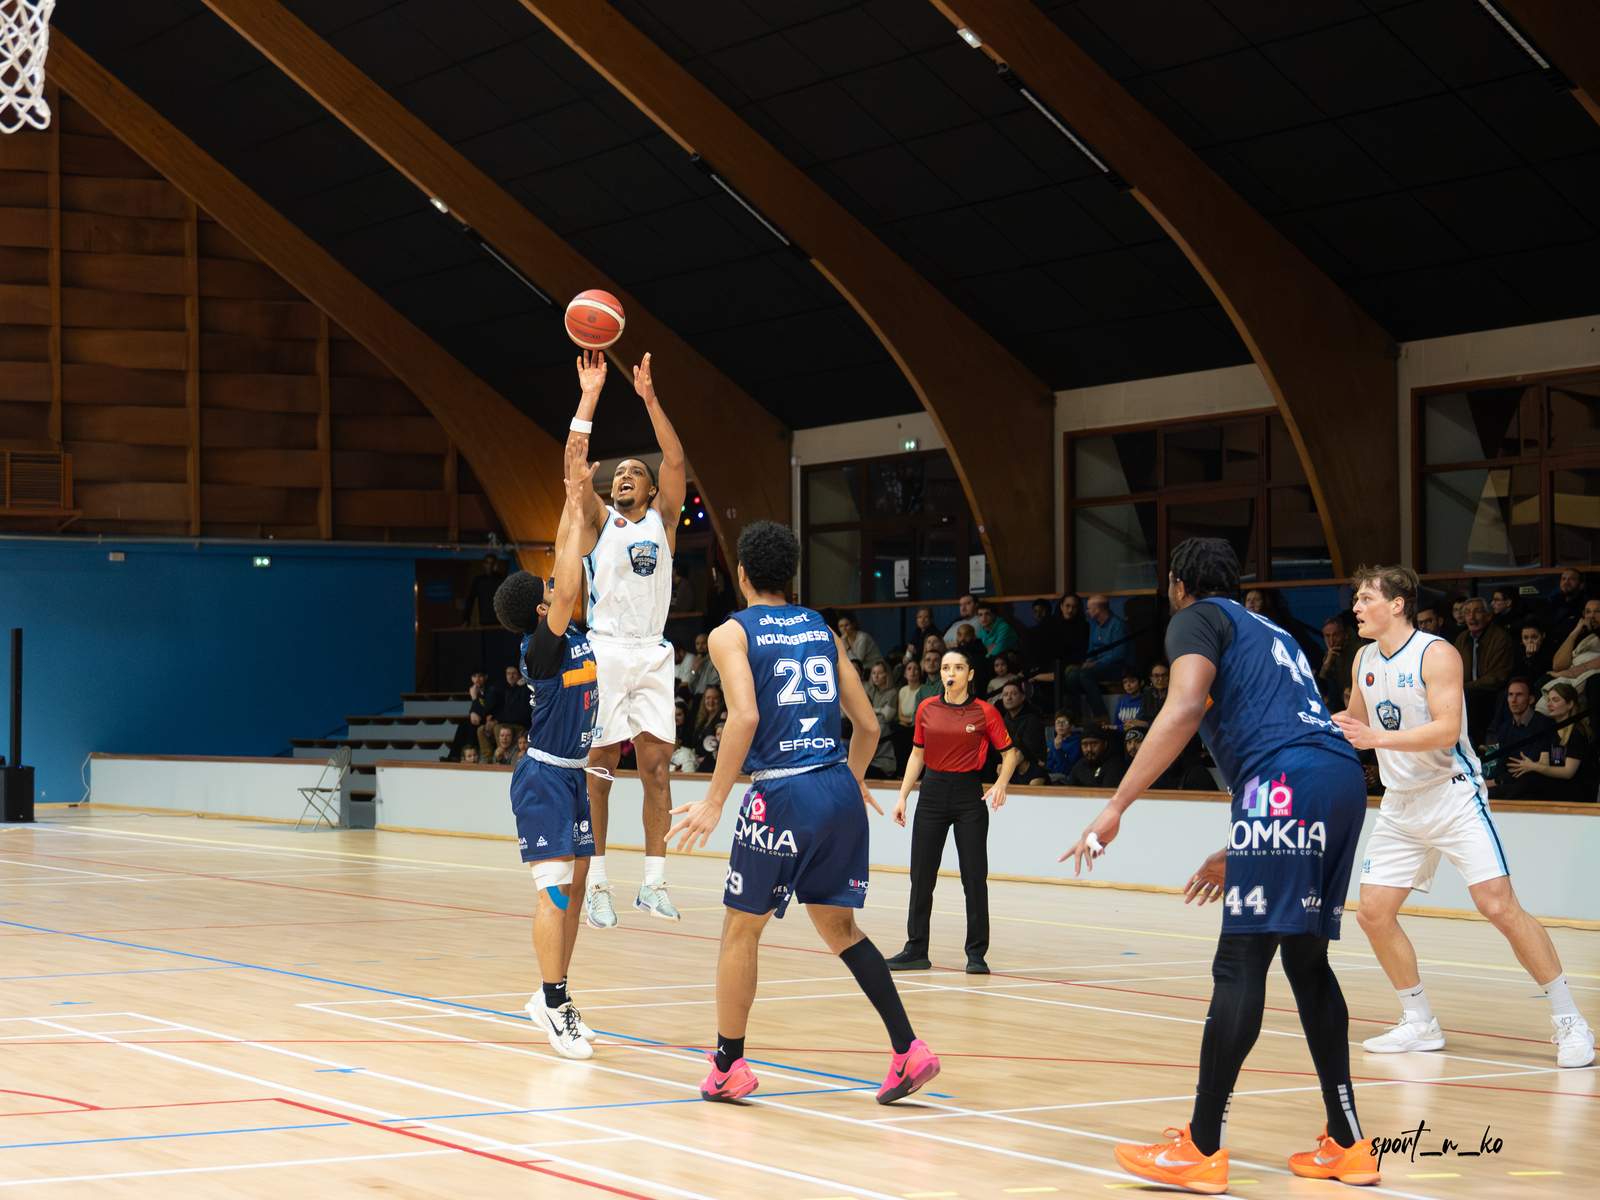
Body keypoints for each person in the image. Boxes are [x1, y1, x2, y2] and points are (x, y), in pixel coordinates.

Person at [1063, 538, 1377, 1192]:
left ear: (1179, 584)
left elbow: (1183, 707)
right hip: (1340, 778)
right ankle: (1348, 1143)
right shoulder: (1269, 630)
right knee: (1305, 961)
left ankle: (1201, 1149)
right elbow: (1279, 726)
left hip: (1286, 782)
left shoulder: (1195, 618)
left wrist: (1116, 806)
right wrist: (1242, 849)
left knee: (1240, 961)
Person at [666, 521, 941, 1105]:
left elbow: (744, 718)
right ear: (789, 576)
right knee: (841, 929)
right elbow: (868, 725)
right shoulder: (819, 626)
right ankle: (909, 1049)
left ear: (741, 574)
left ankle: (728, 1066)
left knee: (741, 928)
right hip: (838, 785)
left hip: (782, 792)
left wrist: (715, 800)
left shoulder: (731, 633)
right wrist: (849, 781)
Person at [1338, 564, 1594, 1070]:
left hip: (1452, 796)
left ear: (1397, 604)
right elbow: (1356, 722)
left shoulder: (1436, 653)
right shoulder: (1364, 657)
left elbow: (1446, 728)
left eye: (1366, 598)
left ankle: (1570, 1021)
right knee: (1373, 913)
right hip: (1400, 803)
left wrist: (1375, 739)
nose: (1356, 608)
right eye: (1357, 599)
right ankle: (1420, 1022)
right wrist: (1311, 726)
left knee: (1498, 906)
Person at [559, 349, 688, 927]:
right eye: (620, 473)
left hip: (653, 650)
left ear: (652, 488)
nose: (625, 474)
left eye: (637, 469)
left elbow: (676, 458)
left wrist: (650, 400)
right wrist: (589, 397)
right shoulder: (598, 520)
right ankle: (598, 886)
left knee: (657, 767)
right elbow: (574, 465)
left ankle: (653, 884)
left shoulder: (664, 520)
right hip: (607, 648)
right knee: (601, 768)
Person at [494, 461, 600, 1060]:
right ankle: (554, 1006)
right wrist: (572, 505)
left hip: (574, 775)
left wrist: (572, 495)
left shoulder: (566, 630)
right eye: (548, 591)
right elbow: (565, 572)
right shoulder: (542, 647)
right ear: (541, 609)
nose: (556, 588)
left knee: (576, 890)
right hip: (544, 778)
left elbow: (565, 549)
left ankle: (550, 995)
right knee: (555, 895)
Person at [888, 649, 1020, 974]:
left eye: (958, 667)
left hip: (968, 796)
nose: (950, 672)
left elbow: (1010, 754)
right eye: (946, 667)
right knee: (921, 876)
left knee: (974, 877)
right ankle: (916, 949)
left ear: (970, 674)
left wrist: (1001, 783)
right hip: (931, 793)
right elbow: (917, 755)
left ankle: (976, 954)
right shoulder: (926, 708)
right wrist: (903, 796)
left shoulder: (986, 712)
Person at [1506, 682, 1599, 802]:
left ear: (1570, 704)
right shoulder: (1551, 729)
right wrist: (1529, 766)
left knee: (1530, 781)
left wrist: (1533, 766)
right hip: (1558, 783)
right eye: (1549, 700)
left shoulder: (1577, 732)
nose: (1549, 704)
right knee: (1521, 788)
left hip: (1578, 788)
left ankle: (1507, 806)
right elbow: (1544, 762)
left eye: (1555, 700)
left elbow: (1568, 772)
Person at [1059, 594, 1131, 717]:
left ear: (1097, 609)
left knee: (1085, 675)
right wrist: (1088, 662)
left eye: (1089, 608)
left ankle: (1101, 715)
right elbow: (1091, 649)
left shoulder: (1118, 625)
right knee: (1071, 676)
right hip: (1097, 664)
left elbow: (1119, 653)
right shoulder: (1094, 625)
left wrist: (1095, 663)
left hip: (1117, 666)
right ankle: (1075, 716)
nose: (1087, 611)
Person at [1455, 597, 1513, 744]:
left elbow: (1496, 678)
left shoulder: (1500, 638)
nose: (1472, 617)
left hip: (1491, 695)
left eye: (1477, 612)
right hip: (1466, 692)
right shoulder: (1462, 638)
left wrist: (1463, 687)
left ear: (1488, 616)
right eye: (1468, 613)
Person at [1484, 677, 1553, 791]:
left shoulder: (1542, 724)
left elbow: (1531, 764)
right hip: (1509, 781)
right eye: (1510, 694)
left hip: (1531, 782)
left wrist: (1497, 781)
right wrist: (1488, 781)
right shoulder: (1505, 727)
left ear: (1531, 699)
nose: (1513, 700)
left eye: (1519, 695)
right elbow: (1502, 761)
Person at [998, 680, 1049, 784]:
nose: (1009, 697)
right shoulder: (1001, 721)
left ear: (1022, 697)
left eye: (1013, 694)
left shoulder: (1033, 720)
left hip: (1030, 770)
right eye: (1005, 694)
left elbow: (1033, 748)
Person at [479, 663, 530, 760]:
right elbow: (499, 710)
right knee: (481, 730)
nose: (511, 676)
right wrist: (491, 722)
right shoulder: (505, 689)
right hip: (505, 722)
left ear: (520, 675)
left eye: (514, 673)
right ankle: (488, 760)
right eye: (508, 673)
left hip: (520, 724)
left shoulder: (525, 690)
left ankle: (502, 759)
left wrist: (497, 721)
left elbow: (521, 715)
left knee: (498, 729)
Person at [1066, 724, 1125, 789]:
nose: (1089, 749)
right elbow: (1068, 791)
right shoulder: (1080, 766)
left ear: (1105, 744)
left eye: (1093, 744)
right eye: (1085, 744)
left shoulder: (1115, 764)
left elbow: (1108, 793)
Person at [463, 553, 507, 625]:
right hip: (485, 622)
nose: (489, 566)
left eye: (492, 563)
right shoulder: (479, 581)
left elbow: (510, 600)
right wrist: (466, 619)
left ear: (496, 565)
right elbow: (470, 600)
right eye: (487, 563)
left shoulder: (503, 579)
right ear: (484, 565)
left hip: (500, 622)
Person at [1130, 661, 1169, 729]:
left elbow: (1169, 720)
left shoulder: (1174, 694)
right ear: (1151, 678)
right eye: (1156, 676)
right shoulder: (1149, 693)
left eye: (1164, 675)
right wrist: (1133, 722)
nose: (1160, 679)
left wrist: (1147, 724)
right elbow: (1140, 716)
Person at [681, 631, 719, 700]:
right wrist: (694, 670)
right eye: (697, 644)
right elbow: (691, 688)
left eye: (703, 643)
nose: (700, 646)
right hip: (696, 697)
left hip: (707, 698)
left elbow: (713, 684)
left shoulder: (714, 661)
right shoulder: (696, 661)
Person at [1046, 710, 1081, 781]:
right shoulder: (1051, 744)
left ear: (1072, 727)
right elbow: (1048, 766)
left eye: (1065, 723)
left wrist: (1059, 751)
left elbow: (1067, 770)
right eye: (1058, 722)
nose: (1060, 725)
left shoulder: (1076, 744)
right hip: (1052, 776)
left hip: (1066, 778)